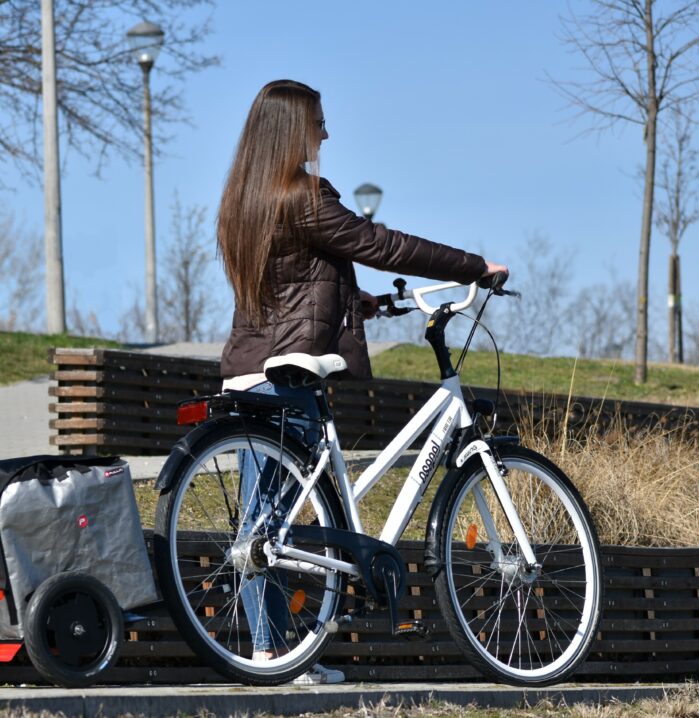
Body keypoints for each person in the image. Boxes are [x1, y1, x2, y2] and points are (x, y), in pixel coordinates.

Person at [216, 79, 508, 685]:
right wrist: (473, 265)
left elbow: (292, 279)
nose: (325, 132)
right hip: (289, 370)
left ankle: (271, 653)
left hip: (247, 368)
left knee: (259, 521)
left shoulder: (244, 200)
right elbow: (380, 243)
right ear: (291, 127)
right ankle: (274, 656)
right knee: (267, 526)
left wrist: (361, 304)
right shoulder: (303, 195)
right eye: (318, 121)